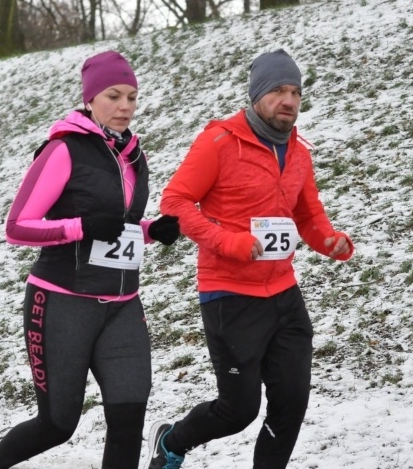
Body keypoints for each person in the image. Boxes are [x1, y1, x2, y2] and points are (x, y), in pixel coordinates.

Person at [0, 51, 181, 469]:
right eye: (113, 96)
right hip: (63, 302)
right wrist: (79, 227)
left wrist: (153, 230)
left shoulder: (134, 155)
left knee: (128, 414)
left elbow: (119, 225)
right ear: (90, 99)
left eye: (132, 97)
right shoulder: (64, 150)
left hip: (122, 306)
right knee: (58, 424)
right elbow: (17, 226)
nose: (124, 107)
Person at [145, 49, 354, 469]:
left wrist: (329, 241)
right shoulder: (220, 141)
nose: (289, 101)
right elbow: (176, 201)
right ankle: (171, 442)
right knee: (239, 410)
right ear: (258, 94)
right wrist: (227, 241)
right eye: (278, 90)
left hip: (284, 292)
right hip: (230, 295)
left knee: (291, 403)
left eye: (295, 91)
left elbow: (308, 214)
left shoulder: (298, 151)